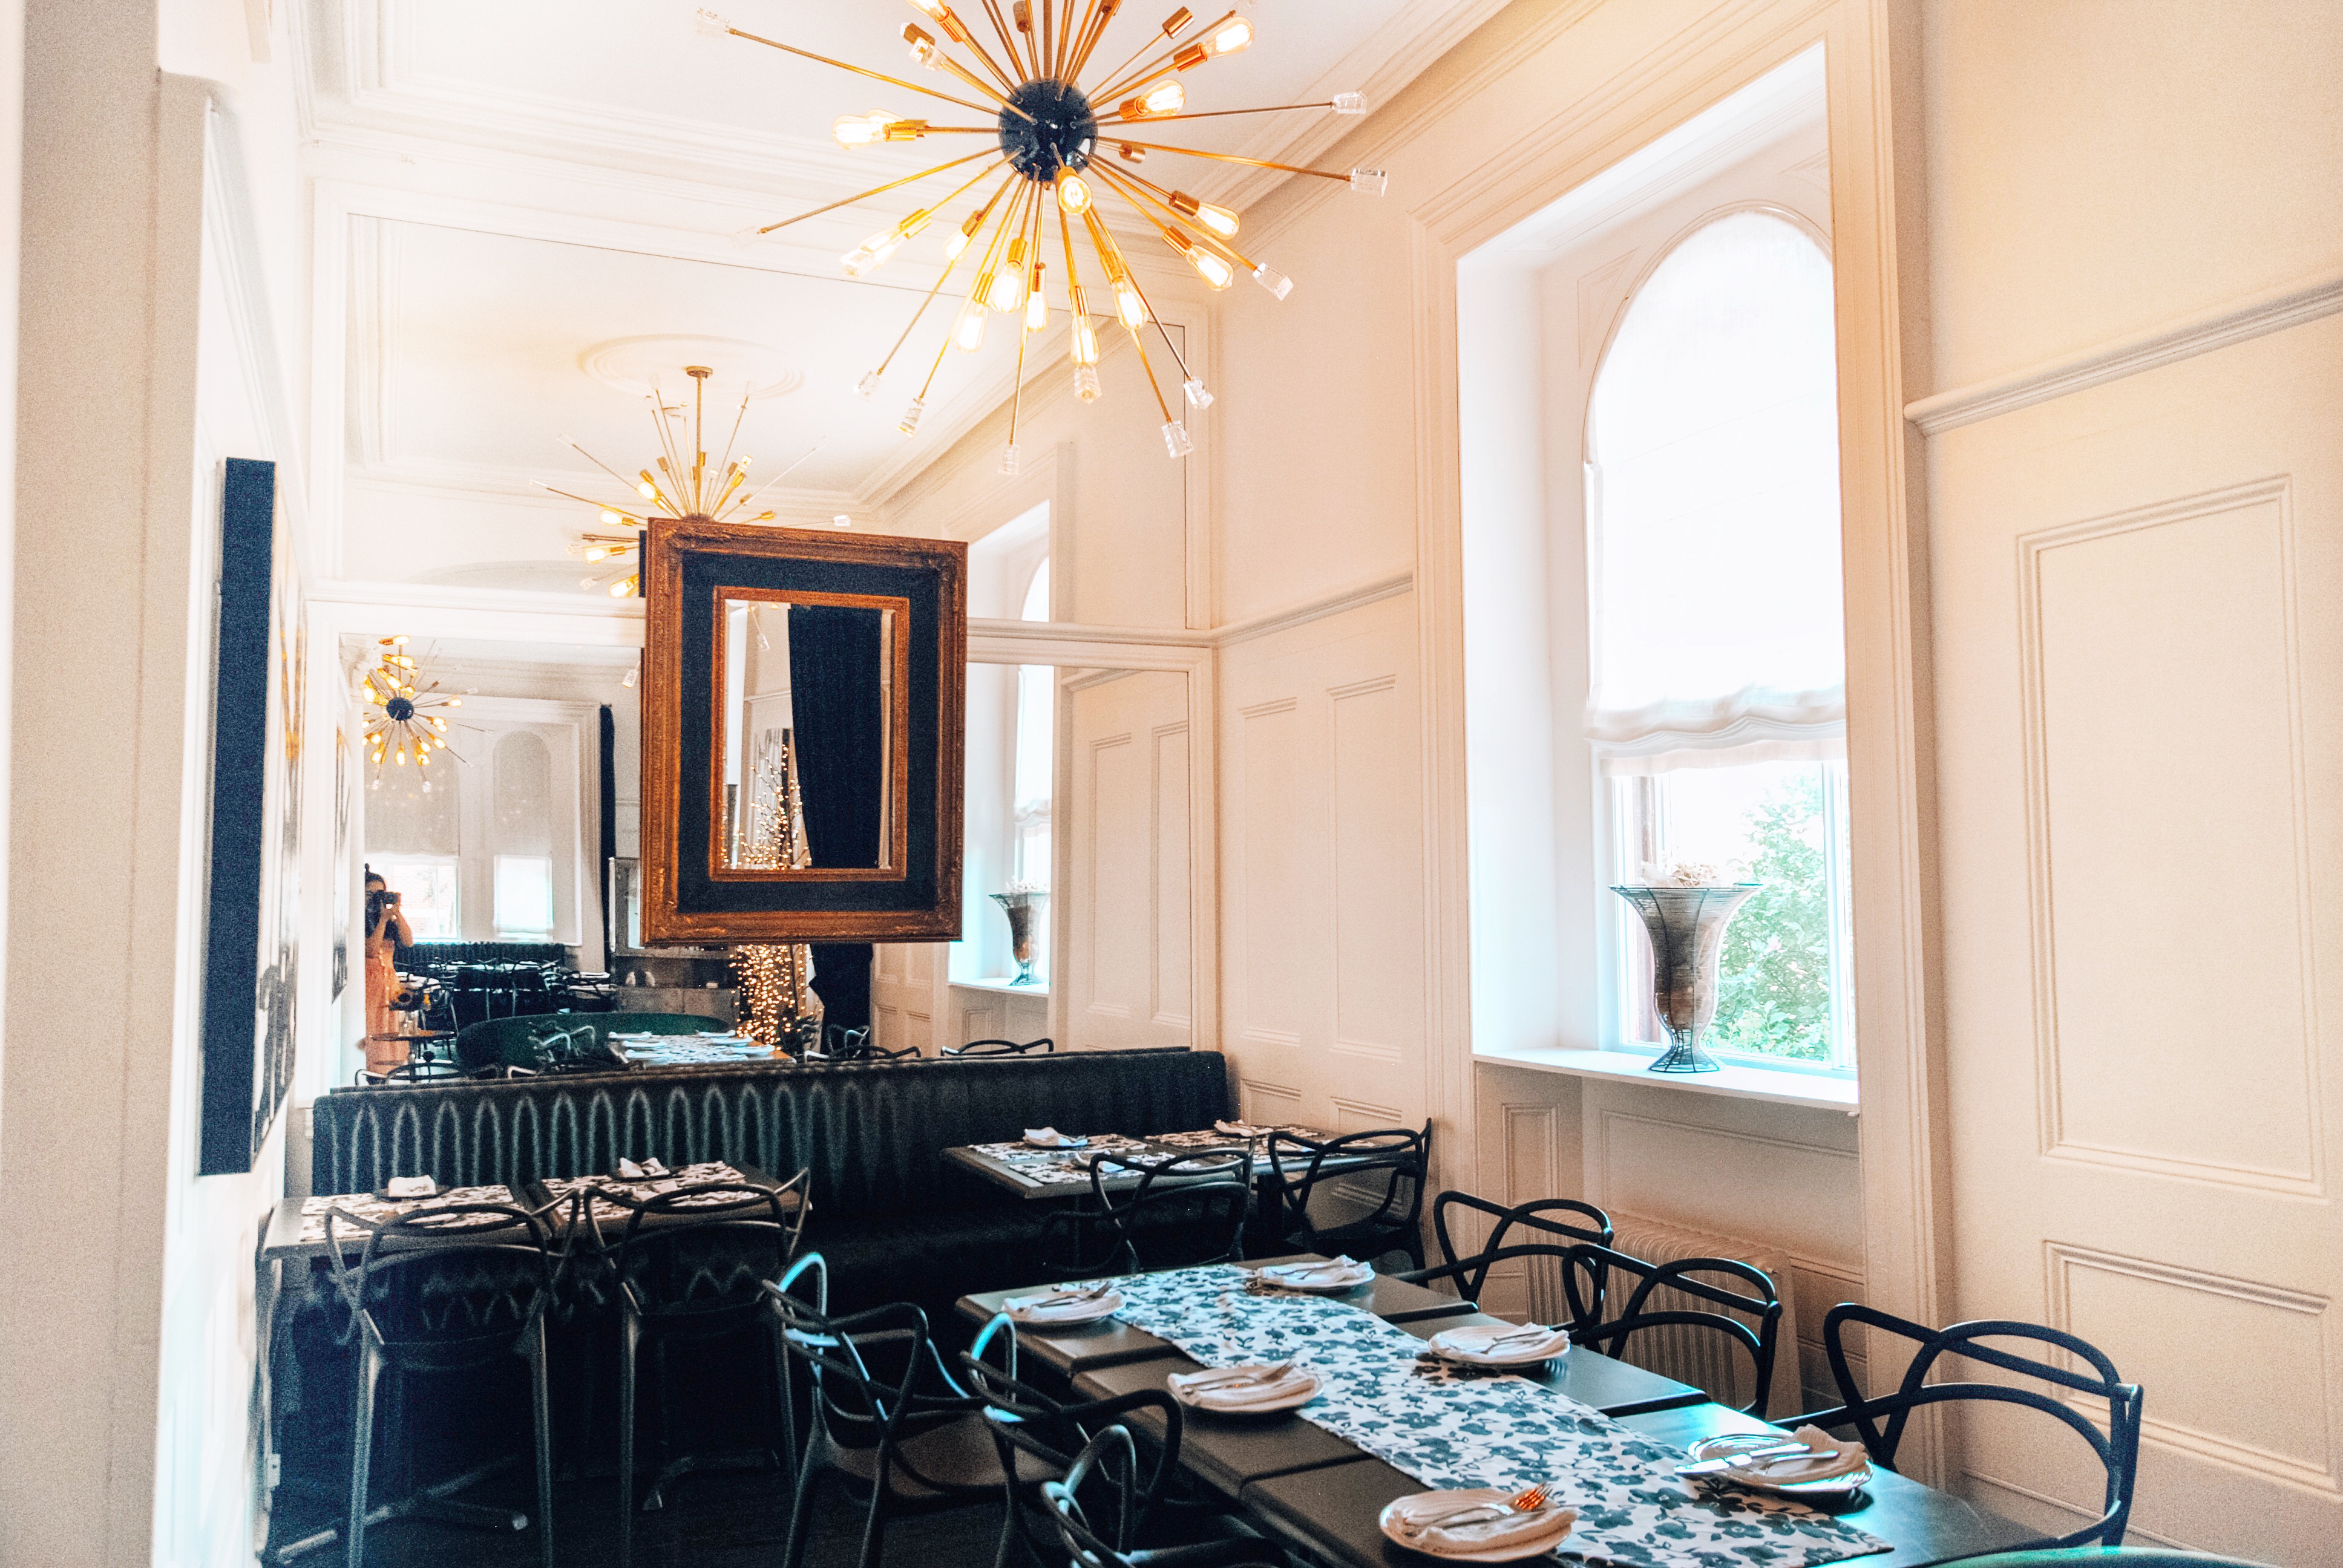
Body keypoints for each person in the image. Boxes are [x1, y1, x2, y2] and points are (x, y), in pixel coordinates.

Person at [362, 868, 414, 1063]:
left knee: (391, 1027)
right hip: (369, 983)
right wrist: (383, 920)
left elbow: (408, 941)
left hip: (390, 984)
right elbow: (371, 950)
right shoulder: (358, 918)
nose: (375, 899)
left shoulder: (387, 920)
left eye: (380, 894)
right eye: (370, 894)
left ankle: (392, 1069)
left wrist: (396, 913)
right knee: (372, 1026)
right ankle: (373, 1069)